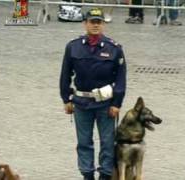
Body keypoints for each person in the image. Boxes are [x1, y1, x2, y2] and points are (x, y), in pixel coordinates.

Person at [59, 8, 127, 180]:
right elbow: (65, 74)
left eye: (99, 22)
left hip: (105, 104)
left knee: (107, 143)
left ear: (103, 24)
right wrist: (66, 98)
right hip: (81, 102)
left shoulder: (115, 49)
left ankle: (105, 175)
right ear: (85, 23)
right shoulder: (73, 47)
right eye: (92, 22)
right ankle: (87, 174)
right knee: (84, 142)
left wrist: (116, 103)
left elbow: (120, 78)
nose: (96, 25)